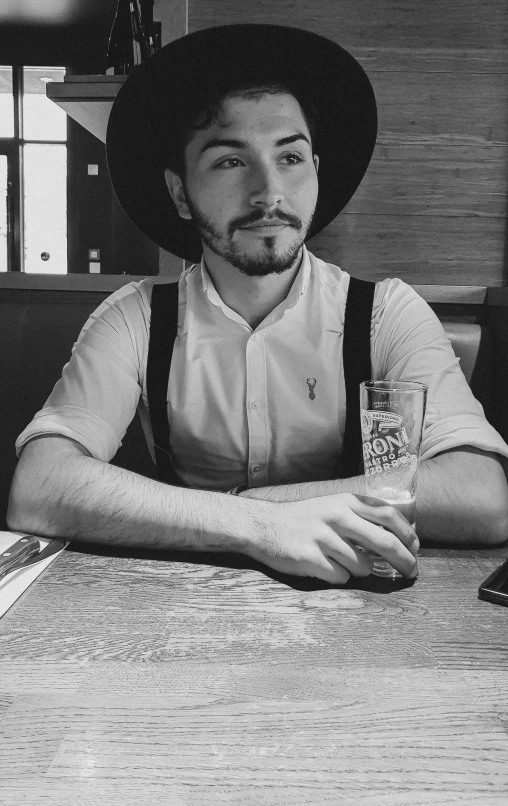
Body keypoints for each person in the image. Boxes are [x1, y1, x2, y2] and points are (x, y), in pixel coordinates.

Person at [7, 24, 508, 584]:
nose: (269, 191)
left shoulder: (386, 313)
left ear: (316, 172)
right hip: (186, 610)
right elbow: (39, 487)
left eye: (290, 157)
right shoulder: (136, 318)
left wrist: (263, 505)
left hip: (361, 604)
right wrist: (260, 527)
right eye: (230, 161)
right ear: (179, 192)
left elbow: (483, 494)